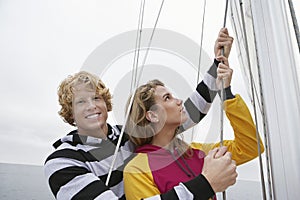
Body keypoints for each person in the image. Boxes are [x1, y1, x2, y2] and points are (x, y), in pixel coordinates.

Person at [44, 28, 238, 200]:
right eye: (80, 102)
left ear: (105, 103)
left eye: (96, 98)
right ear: (70, 113)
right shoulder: (63, 161)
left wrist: (218, 62)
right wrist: (205, 184)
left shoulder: (127, 136)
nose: (91, 106)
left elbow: (191, 111)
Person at [123, 57, 265, 199]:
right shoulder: (136, 170)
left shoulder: (198, 152)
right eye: (167, 98)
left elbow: (251, 147)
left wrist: (226, 92)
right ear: (153, 116)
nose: (179, 101)